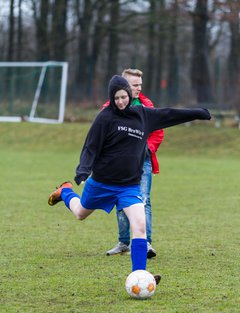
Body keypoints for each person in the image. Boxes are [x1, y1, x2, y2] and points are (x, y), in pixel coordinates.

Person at [48, 75, 211, 284]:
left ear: (130, 95)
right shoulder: (104, 118)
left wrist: (198, 113)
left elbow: (169, 114)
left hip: (128, 186)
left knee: (140, 225)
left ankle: (139, 275)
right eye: (116, 98)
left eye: (123, 97)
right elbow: (91, 146)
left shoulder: (143, 115)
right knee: (80, 213)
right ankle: (65, 192)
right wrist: (82, 171)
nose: (121, 102)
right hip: (102, 183)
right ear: (111, 98)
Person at [104, 68, 164, 258]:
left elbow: (158, 132)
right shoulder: (109, 107)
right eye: (135, 85)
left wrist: (146, 148)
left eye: (140, 84)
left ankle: (145, 244)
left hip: (142, 162)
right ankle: (123, 242)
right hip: (118, 164)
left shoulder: (146, 105)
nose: (139, 88)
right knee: (120, 202)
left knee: (143, 200)